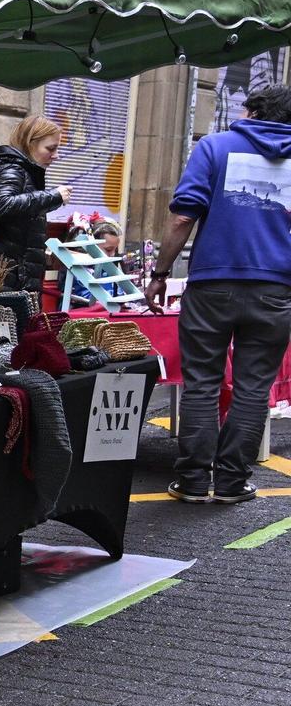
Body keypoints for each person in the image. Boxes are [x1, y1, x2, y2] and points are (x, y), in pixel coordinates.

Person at [145, 83, 291, 503]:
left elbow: (180, 218)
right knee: (252, 388)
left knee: (203, 384)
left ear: (252, 111)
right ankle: (231, 483)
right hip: (274, 288)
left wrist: (160, 272)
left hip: (212, 284)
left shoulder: (215, 147)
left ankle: (192, 481)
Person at [0, 115, 72, 295]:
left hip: (5, 279)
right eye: (50, 148)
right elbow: (2, 204)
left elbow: (15, 212)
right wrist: (53, 196)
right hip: (2, 282)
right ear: (30, 143)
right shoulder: (12, 171)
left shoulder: (14, 171)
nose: (56, 155)